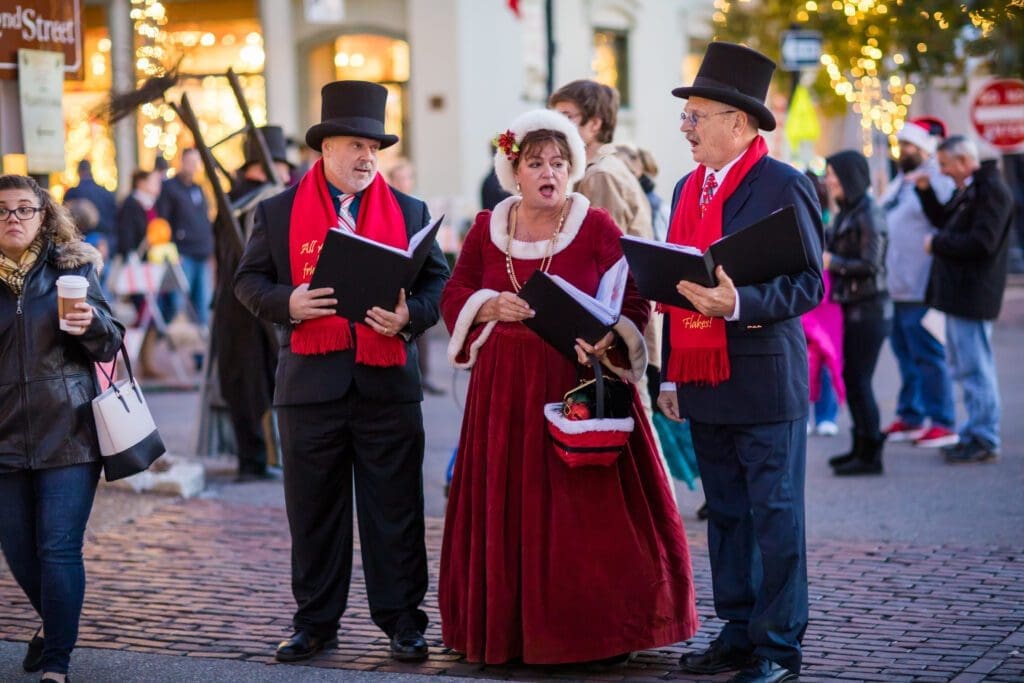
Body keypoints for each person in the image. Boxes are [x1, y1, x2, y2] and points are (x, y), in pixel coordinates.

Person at [439, 108, 698, 665]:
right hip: (502, 394)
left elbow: (633, 297)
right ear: (516, 170)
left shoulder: (596, 224)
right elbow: (455, 290)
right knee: (510, 512)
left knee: (584, 514)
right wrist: (489, 305)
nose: (548, 172)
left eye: (559, 162)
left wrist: (610, 338)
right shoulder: (488, 227)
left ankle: (597, 634)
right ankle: (509, 630)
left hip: (575, 383)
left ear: (573, 167)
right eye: (536, 163)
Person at [235, 80, 449, 663]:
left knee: (396, 512)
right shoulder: (277, 212)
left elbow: (438, 283)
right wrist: (289, 304)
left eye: (374, 148)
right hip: (310, 386)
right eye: (355, 144)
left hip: (386, 387)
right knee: (314, 515)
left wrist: (410, 316)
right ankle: (315, 623)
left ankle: (404, 622)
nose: (365, 158)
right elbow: (248, 282)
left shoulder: (410, 211)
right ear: (324, 149)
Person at [657, 43, 823, 683]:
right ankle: (737, 627)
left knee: (776, 517)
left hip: (762, 377)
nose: (687, 127)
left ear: (738, 122)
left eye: (697, 115)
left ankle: (778, 646)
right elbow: (677, 287)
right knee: (725, 513)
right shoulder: (683, 188)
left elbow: (810, 284)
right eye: (688, 116)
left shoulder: (785, 185)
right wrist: (670, 371)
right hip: (701, 377)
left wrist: (739, 303)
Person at [0, 174, 124, 683]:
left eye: (24, 209)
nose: (13, 218)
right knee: (20, 553)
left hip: (68, 430)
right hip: (4, 435)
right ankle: (54, 627)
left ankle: (57, 663)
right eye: (3, 210)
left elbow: (112, 342)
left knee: (57, 547)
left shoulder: (72, 267)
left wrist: (90, 325)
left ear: (44, 215)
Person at [915, 136, 1014, 464]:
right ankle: (974, 432)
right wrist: (926, 192)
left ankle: (984, 437)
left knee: (975, 368)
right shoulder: (973, 190)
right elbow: (946, 221)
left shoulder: (991, 191)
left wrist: (939, 244)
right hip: (961, 295)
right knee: (964, 367)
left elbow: (982, 243)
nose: (941, 171)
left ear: (962, 161)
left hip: (974, 294)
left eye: (944, 164)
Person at [216, 125, 294, 481]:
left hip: (251, 305)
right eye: (282, 166)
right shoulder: (253, 200)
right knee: (251, 384)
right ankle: (255, 460)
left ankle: (261, 457)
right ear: (265, 165)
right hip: (244, 309)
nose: (288, 174)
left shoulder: (241, 198)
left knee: (258, 383)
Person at [878, 118, 958, 447]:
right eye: (902, 145)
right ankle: (911, 415)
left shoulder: (935, 179)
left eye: (910, 146)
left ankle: (943, 421)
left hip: (921, 284)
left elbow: (944, 218)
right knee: (905, 355)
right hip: (895, 286)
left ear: (925, 148)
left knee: (928, 355)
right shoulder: (901, 182)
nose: (903, 151)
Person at [822, 151, 892, 476]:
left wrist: (832, 262)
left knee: (859, 380)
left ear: (849, 176)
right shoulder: (850, 210)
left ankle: (871, 454)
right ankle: (861, 448)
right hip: (854, 308)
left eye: (833, 173)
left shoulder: (869, 213)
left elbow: (871, 264)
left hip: (870, 310)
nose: (828, 179)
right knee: (853, 380)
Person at [385, 158, 444, 396]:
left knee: (420, 330)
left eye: (408, 177)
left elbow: (436, 267)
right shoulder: (386, 204)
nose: (405, 181)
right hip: (394, 280)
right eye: (400, 177)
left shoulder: (416, 206)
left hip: (416, 277)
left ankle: (423, 374)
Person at [802, 170, 843, 437]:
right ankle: (804, 414)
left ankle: (827, 415)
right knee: (804, 359)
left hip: (829, 297)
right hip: (806, 294)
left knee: (828, 355)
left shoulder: (840, 215)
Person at [157, 147, 214, 326]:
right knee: (178, 304)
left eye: (196, 162)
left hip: (202, 253)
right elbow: (163, 222)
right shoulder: (169, 188)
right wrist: (172, 249)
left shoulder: (199, 189)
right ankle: (174, 346)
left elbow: (205, 218)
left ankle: (199, 350)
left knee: (202, 305)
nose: (193, 166)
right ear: (182, 162)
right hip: (182, 254)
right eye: (190, 161)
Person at [64, 159, 118, 259]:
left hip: (81, 241)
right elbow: (115, 218)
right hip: (104, 242)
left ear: (78, 172)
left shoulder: (72, 193)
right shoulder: (106, 192)